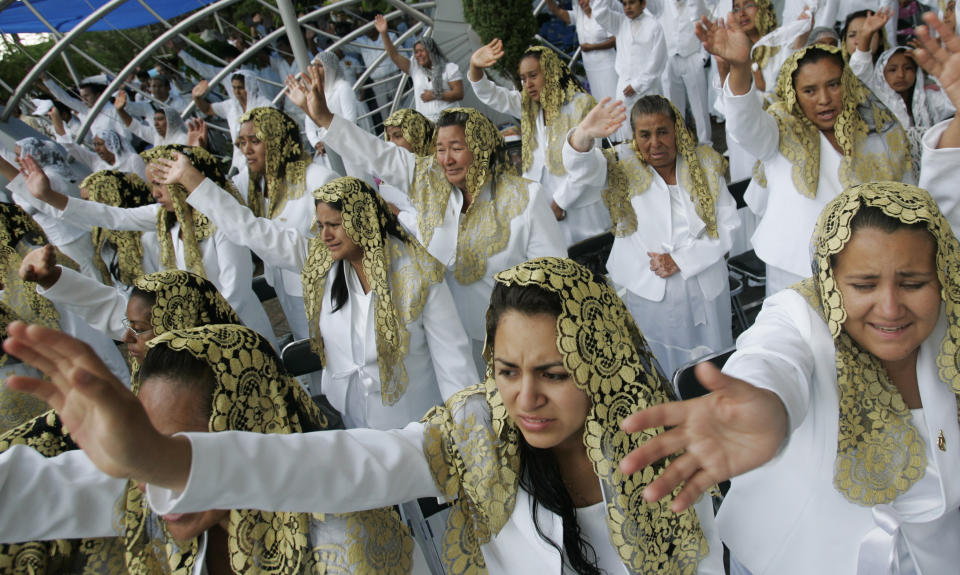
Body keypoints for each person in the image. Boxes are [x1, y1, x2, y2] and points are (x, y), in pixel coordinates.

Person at [3, 257, 726, 575]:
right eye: (506, 371)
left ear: (599, 364)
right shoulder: (476, 431)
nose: (525, 399)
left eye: (554, 373)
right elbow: (344, 463)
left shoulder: (674, 440)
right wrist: (163, 461)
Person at [619, 182, 960, 574]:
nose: (889, 307)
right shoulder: (800, 315)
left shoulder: (950, 330)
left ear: (943, 277)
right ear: (829, 283)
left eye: (913, 283)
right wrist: (769, 407)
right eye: (864, 285)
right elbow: (771, 356)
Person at [0, 324, 422, 575]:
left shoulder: (344, 545)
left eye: (178, 449)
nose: (154, 482)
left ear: (248, 431)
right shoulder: (152, 496)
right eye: (142, 450)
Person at [147, 165, 475, 430]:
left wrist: (466, 436)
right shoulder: (323, 262)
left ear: (363, 222)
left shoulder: (419, 278)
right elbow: (251, 229)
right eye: (320, 225)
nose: (325, 236)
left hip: (417, 425)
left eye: (334, 225)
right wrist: (194, 181)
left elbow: (455, 368)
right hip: (351, 419)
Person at [288, 65, 565, 365]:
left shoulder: (525, 198)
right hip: (453, 347)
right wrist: (325, 119)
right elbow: (376, 153)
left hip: (522, 345)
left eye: (456, 148)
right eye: (440, 149)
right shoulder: (429, 182)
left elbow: (554, 277)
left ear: (481, 148)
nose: (446, 159)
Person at [698, 24, 914, 295]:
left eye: (833, 85)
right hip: (797, 272)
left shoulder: (877, 131)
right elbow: (746, 125)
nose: (824, 99)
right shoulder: (780, 131)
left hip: (871, 270)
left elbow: (907, 195)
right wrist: (740, 67)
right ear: (794, 94)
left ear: (847, 83)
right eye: (810, 90)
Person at [18, 146, 277, 347]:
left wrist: (199, 334)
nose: (154, 193)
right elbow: (113, 216)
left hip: (240, 330)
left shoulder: (220, 225)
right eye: (152, 185)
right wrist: (47, 196)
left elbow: (236, 294)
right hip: (194, 331)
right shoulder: (166, 218)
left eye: (159, 184)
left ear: (183, 179)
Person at [563, 95, 740, 378]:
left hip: (706, 287)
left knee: (715, 365)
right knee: (664, 368)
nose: (655, 143)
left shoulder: (703, 163)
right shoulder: (621, 166)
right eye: (645, 135)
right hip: (653, 297)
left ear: (677, 130)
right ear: (634, 136)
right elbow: (581, 168)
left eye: (662, 132)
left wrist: (681, 260)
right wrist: (584, 134)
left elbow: (729, 224)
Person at [469, 43, 610, 246]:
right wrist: (475, 67)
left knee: (592, 262)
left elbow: (591, 162)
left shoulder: (581, 104)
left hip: (582, 207)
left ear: (551, 72)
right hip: (545, 207)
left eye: (533, 75)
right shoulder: (529, 106)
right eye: (523, 78)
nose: (528, 84)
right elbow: (493, 95)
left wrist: (561, 202)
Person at [230, 107, 337, 341]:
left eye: (255, 141)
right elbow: (219, 195)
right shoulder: (255, 182)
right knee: (306, 348)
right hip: (283, 286)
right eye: (241, 143)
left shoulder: (318, 179)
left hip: (323, 289)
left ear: (277, 140)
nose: (246, 150)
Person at [850, 9, 954, 164]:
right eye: (892, 70)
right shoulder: (876, 98)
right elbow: (858, 74)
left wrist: (937, 67)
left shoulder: (928, 99)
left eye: (908, 68)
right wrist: (865, 36)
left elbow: (953, 101)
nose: (900, 75)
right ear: (881, 73)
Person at [0, 139, 97, 279]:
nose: (16, 159)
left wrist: (17, 194)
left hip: (71, 236)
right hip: (62, 237)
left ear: (33, 154)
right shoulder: (39, 176)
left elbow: (29, 207)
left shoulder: (48, 176)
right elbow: (7, 159)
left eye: (19, 154)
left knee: (92, 272)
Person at [591, 0, 668, 141]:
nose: (627, 8)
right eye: (624, 4)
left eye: (632, 3)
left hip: (647, 87)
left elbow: (657, 61)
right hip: (624, 86)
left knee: (650, 127)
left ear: (643, 4)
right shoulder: (619, 22)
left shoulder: (654, 26)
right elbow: (599, 12)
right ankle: (631, 160)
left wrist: (637, 85)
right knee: (625, 129)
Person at [647, 0, 714, 144]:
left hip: (692, 57)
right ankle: (680, 144)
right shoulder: (661, 4)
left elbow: (707, 25)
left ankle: (706, 144)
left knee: (700, 105)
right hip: (670, 59)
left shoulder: (697, 3)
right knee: (673, 107)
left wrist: (703, 57)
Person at [374, 15, 464, 122]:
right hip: (426, 125)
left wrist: (435, 95)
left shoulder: (449, 68)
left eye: (422, 50)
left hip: (450, 122)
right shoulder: (415, 69)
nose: (418, 54)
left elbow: (459, 94)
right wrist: (384, 33)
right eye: (416, 52)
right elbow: (394, 55)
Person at [78, 170, 158, 288]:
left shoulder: (148, 235)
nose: (85, 209)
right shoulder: (104, 239)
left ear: (108, 199)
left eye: (88, 201)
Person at [192, 71, 273, 175]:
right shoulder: (231, 106)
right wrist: (196, 97)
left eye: (241, 88)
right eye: (234, 88)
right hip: (239, 164)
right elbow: (207, 109)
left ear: (250, 87)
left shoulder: (265, 106)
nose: (237, 92)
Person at [543, 0, 619, 103]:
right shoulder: (579, 14)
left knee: (615, 99)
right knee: (601, 101)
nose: (582, 2)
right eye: (579, 1)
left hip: (608, 65)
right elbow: (556, 10)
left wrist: (592, 47)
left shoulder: (603, 13)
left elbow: (614, 40)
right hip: (590, 67)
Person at [55, 127, 147, 181]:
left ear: (112, 143)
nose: (97, 149)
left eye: (99, 144)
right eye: (95, 145)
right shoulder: (95, 161)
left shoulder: (132, 159)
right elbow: (71, 147)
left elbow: (146, 185)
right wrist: (55, 116)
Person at [114, 90, 188, 147]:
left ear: (171, 121)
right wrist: (120, 111)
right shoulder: (157, 136)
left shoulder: (182, 138)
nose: (155, 124)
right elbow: (136, 127)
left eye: (160, 119)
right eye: (155, 120)